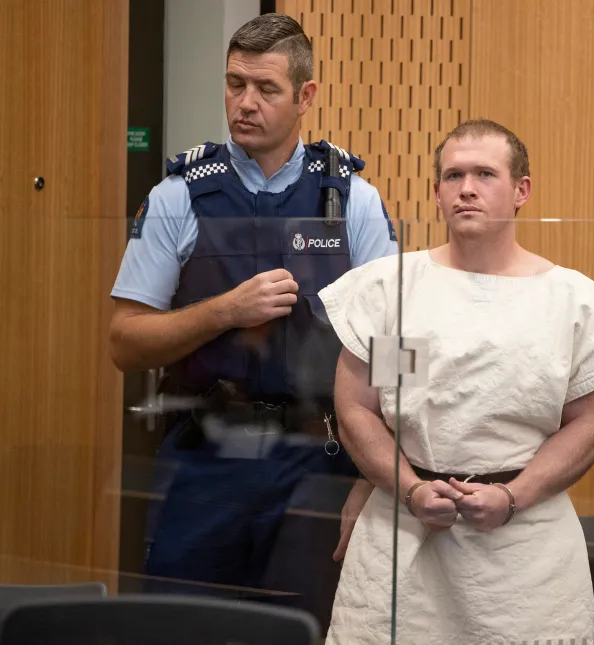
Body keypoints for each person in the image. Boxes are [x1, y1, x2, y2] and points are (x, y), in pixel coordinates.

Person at [108, 13, 396, 629]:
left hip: (318, 456)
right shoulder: (179, 194)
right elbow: (126, 342)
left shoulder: (353, 200)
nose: (245, 103)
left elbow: (395, 350)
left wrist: (378, 475)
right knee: (177, 627)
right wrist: (224, 312)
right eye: (235, 84)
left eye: (265, 89)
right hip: (207, 452)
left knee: (307, 629)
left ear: (305, 96)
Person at [316, 119, 594, 644]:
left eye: (485, 174)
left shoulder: (571, 301)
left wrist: (512, 496)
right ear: (437, 192)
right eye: (453, 176)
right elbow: (361, 409)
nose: (466, 188)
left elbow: (589, 428)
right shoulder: (398, 290)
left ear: (522, 190)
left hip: (525, 553)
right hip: (403, 536)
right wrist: (412, 489)